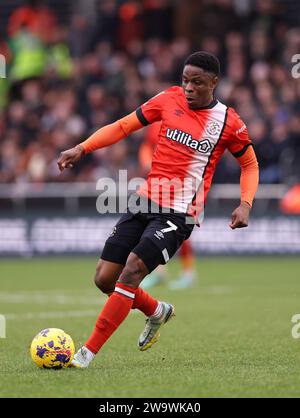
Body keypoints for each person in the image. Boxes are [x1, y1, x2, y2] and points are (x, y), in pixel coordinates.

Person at [57, 51, 259, 368]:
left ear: (214, 82)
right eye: (185, 80)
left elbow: (249, 164)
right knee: (104, 279)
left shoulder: (229, 122)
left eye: (197, 82)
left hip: (180, 212)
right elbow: (124, 126)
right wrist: (83, 147)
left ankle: (87, 353)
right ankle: (155, 310)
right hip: (145, 199)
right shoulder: (168, 99)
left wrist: (245, 204)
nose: (189, 87)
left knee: (133, 269)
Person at [139, 121, 196, 290]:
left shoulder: (187, 123)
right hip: (158, 182)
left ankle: (189, 273)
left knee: (180, 227)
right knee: (152, 226)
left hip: (182, 184)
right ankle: (159, 272)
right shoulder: (157, 123)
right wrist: (149, 164)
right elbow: (147, 146)